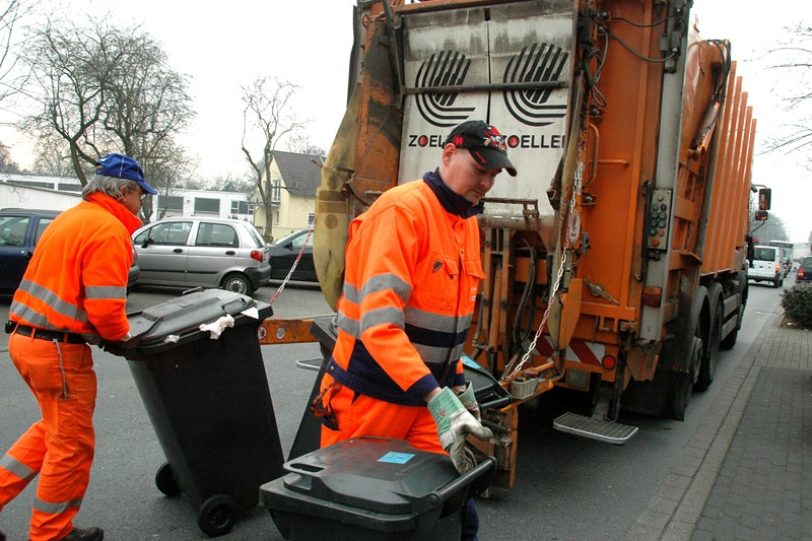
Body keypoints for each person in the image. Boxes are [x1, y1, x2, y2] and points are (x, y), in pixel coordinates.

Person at [316, 120, 516, 540]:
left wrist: (457, 386)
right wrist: (437, 397)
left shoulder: (466, 223)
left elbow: (452, 320)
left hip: (429, 400)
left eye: (493, 174)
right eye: (480, 169)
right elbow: (380, 326)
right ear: (447, 155)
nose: (486, 182)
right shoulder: (400, 212)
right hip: (371, 398)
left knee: (448, 511)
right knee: (357, 517)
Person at [0, 153, 157, 541]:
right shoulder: (107, 230)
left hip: (27, 339)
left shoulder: (71, 219)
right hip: (58, 349)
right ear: (124, 191)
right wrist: (122, 335)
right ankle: (51, 534)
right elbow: (105, 310)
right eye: (141, 195)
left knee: (51, 431)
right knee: (70, 446)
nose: (142, 204)